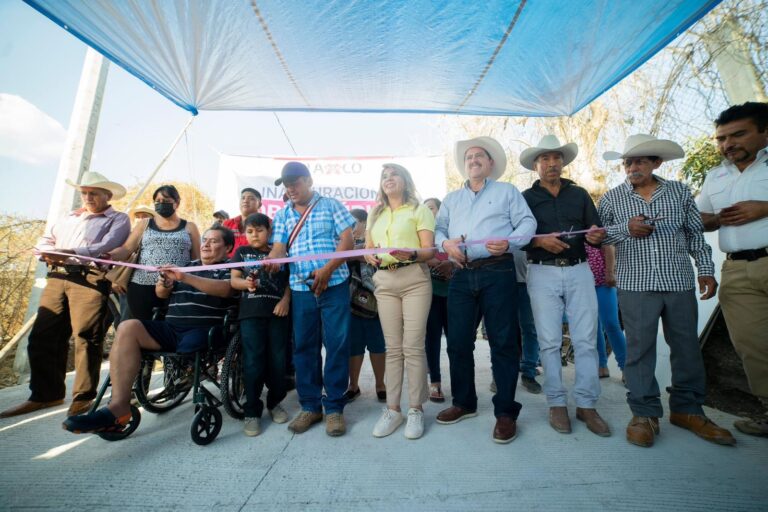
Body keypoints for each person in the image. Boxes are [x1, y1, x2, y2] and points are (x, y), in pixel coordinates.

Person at [599, 133, 735, 447]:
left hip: (678, 281)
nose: (632, 168)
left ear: (656, 163)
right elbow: (600, 236)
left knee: (686, 347)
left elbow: (695, 234)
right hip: (635, 284)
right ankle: (644, 414)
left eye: (639, 162)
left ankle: (687, 409)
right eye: (627, 162)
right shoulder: (611, 198)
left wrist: (706, 269)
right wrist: (626, 229)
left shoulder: (679, 192)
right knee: (639, 349)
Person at [63, 226, 236, 434]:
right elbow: (161, 295)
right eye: (205, 240)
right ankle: (118, 406)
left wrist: (184, 277)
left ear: (228, 247)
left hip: (205, 330)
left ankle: (123, 407)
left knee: (190, 343)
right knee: (127, 327)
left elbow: (227, 290)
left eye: (214, 241)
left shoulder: (232, 268)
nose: (206, 245)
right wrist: (165, 283)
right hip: (172, 328)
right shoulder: (187, 266)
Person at [1, 172, 130, 419]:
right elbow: (46, 239)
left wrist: (69, 251)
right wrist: (48, 251)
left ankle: (83, 397)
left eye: (94, 193)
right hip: (57, 276)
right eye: (84, 192)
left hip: (89, 277)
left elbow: (106, 246)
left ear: (108, 195)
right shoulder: (69, 217)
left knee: (86, 337)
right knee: (42, 335)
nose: (88, 197)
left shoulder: (118, 219)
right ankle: (45, 395)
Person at [435, 136, 537, 444]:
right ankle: (464, 403)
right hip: (461, 274)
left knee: (504, 342)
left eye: (479, 156)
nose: (473, 160)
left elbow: (527, 223)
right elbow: (439, 230)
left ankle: (505, 412)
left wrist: (509, 242)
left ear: (490, 163)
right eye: (469, 157)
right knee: (457, 342)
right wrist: (445, 244)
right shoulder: (451, 199)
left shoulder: (507, 192)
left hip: (498, 270)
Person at [520, 135, 609, 437]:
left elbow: (594, 232)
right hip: (541, 272)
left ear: (563, 162)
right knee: (549, 340)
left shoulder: (580, 194)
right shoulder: (525, 198)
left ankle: (586, 404)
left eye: (556, 158)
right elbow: (516, 236)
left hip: (579, 270)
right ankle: (556, 402)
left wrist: (595, 236)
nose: (552, 163)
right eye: (545, 158)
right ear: (536, 165)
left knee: (586, 339)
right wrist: (538, 241)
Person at [263, 161, 356, 437]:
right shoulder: (282, 215)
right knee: (304, 347)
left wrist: (327, 270)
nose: (291, 189)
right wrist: (271, 261)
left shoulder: (331, 205)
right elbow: (279, 249)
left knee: (337, 345)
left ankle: (335, 408)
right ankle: (311, 406)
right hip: (301, 289)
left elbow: (347, 241)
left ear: (309, 181)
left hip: (334, 285)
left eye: (295, 183)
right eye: (287, 185)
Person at [697, 102, 768, 437]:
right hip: (737, 269)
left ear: (764, 132)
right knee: (752, 346)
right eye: (722, 138)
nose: (728, 144)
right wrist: (714, 219)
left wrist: (765, 208)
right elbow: (701, 218)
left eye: (738, 134)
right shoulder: (716, 176)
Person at [364, 164, 435, 439]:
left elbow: (428, 250)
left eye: (394, 175)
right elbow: (368, 248)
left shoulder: (419, 210)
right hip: (385, 282)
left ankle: (416, 409)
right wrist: (368, 254)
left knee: (413, 346)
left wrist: (413, 254)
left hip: (415, 278)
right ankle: (393, 410)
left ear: (405, 180)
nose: (388, 179)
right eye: (384, 176)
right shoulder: (375, 213)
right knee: (392, 348)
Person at [230, 213, 291, 436]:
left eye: (259, 230)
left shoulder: (281, 253)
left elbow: (289, 281)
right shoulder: (241, 252)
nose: (254, 235)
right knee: (253, 361)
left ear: (269, 231)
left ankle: (275, 403)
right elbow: (234, 280)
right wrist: (246, 284)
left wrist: (285, 301)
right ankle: (252, 411)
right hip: (251, 314)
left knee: (278, 360)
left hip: (278, 314)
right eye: (250, 231)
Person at [110, 185, 200, 321]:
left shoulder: (190, 227)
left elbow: (196, 260)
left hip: (177, 287)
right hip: (141, 286)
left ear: (177, 203)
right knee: (142, 326)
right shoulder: (144, 224)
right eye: (157, 201)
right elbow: (127, 249)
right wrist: (109, 256)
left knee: (170, 326)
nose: (161, 204)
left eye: (166, 201)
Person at [344, 209, 386, 404]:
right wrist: (353, 252)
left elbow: (379, 256)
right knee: (354, 346)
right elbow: (344, 256)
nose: (350, 227)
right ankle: (353, 386)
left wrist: (356, 253)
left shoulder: (376, 239)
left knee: (378, 345)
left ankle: (380, 385)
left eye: (353, 222)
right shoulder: (344, 241)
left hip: (376, 300)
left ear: (364, 222)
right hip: (350, 302)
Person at [423, 198, 454, 402]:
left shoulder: (453, 230)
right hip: (430, 294)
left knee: (456, 341)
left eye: (431, 208)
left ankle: (460, 382)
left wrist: (451, 263)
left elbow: (466, 253)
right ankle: (435, 383)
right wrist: (430, 260)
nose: (428, 212)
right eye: (424, 209)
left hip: (455, 294)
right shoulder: (421, 234)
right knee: (432, 340)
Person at [584, 243, 627, 380]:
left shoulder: (599, 227)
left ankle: (626, 368)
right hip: (581, 282)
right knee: (593, 326)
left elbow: (609, 246)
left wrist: (610, 272)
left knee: (611, 324)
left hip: (603, 280)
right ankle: (601, 365)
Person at [512, 248, 542, 394]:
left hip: (528, 282)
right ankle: (498, 374)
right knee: (501, 330)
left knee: (530, 329)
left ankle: (529, 373)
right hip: (501, 282)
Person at [224, 188, 262, 256]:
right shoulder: (227, 224)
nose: (245, 201)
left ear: (259, 204)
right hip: (227, 262)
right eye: (243, 198)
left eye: (251, 198)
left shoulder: (268, 224)